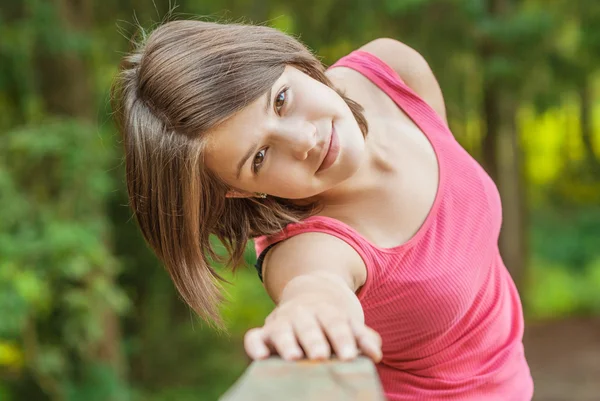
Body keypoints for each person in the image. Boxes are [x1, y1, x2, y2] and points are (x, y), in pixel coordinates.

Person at [112, 19, 534, 400]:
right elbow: (316, 287)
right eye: (259, 157)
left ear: (291, 63)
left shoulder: (390, 69)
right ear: (237, 193)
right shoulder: (307, 248)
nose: (303, 140)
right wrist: (305, 309)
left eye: (281, 100)